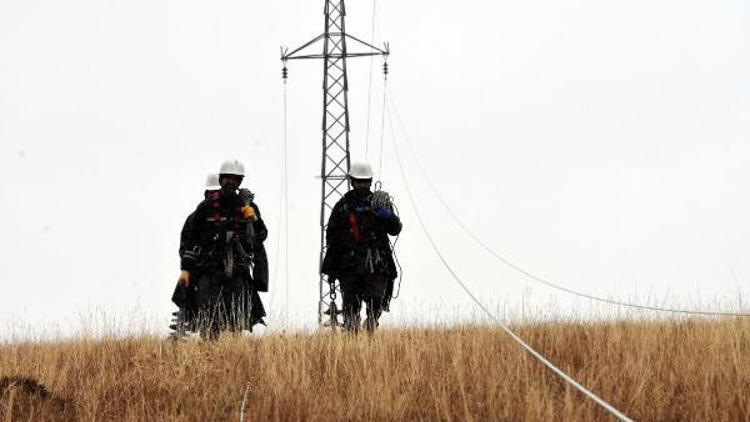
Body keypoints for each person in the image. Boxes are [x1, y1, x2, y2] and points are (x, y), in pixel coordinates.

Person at [178, 160, 268, 339]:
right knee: (209, 318)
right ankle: (209, 354)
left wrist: (253, 218)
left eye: (235, 179)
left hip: (237, 272)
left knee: (237, 319)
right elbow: (191, 239)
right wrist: (187, 269)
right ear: (221, 179)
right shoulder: (206, 207)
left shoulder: (247, 206)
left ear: (240, 182)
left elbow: (261, 236)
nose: (231, 182)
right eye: (227, 178)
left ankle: (232, 356)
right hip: (209, 271)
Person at [321, 161, 402, 334]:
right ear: (352, 182)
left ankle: (371, 325)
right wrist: (332, 267)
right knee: (351, 306)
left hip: (376, 264)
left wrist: (388, 216)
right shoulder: (342, 207)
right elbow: (332, 238)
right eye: (359, 181)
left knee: (376, 300)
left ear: (370, 181)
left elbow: (395, 229)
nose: (362, 185)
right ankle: (352, 337)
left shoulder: (380, 204)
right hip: (349, 266)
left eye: (365, 182)